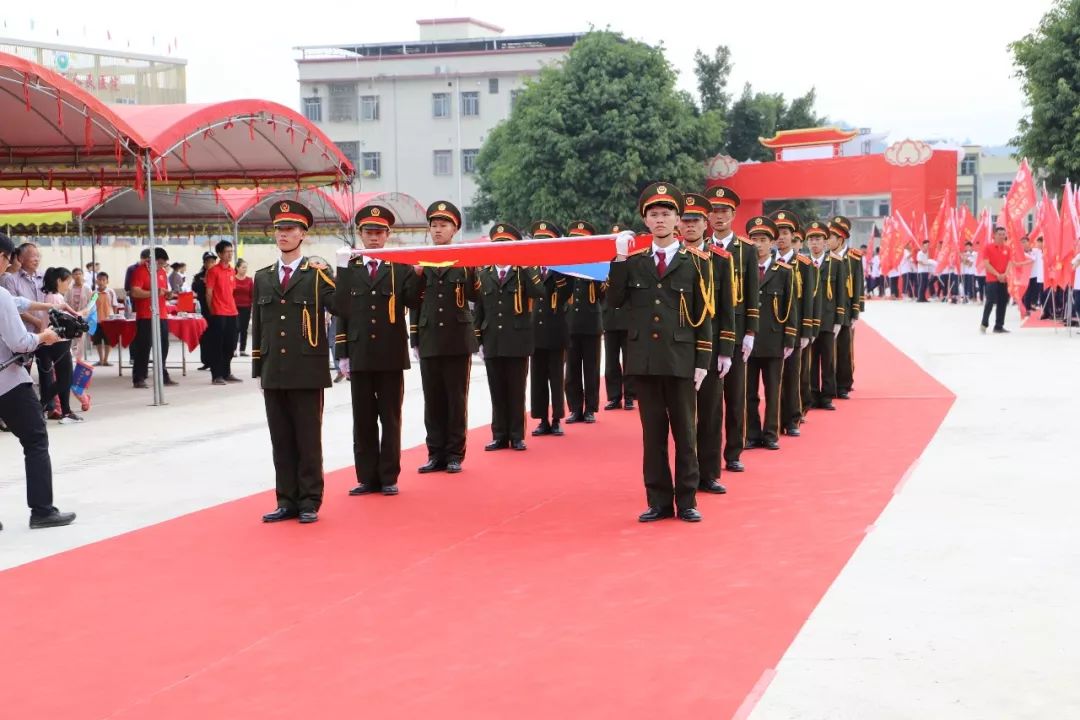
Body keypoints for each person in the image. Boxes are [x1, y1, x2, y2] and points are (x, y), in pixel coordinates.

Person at [608, 182, 712, 523]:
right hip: (646, 360)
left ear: (678, 220)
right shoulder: (633, 262)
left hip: (681, 358)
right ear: (646, 221)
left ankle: (687, 500)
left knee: (685, 433)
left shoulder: (696, 262)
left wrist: (703, 360)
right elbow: (614, 302)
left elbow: (704, 313)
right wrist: (620, 259)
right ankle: (658, 500)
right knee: (652, 435)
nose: (661, 220)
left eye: (667, 214)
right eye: (654, 214)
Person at [254, 201, 337, 524]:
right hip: (275, 371)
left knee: (307, 438)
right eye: (279, 229)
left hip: (307, 370)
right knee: (281, 440)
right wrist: (260, 371)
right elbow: (259, 327)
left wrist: (330, 273)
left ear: (303, 234)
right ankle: (286, 499)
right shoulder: (263, 277)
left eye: (290, 229)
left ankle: (309, 500)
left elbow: (340, 305)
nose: (283, 234)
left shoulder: (316, 274)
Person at [335, 205, 421, 497]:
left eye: (379, 233)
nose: (374, 237)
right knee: (363, 419)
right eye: (368, 232)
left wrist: (419, 275)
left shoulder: (399, 267)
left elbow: (412, 301)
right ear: (360, 234)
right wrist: (342, 353)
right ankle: (366, 477)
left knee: (390, 417)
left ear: (387, 235)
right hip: (359, 353)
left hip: (390, 353)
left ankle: (388, 476)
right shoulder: (350, 267)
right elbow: (341, 312)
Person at [0, 232, 77, 531]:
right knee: (35, 439)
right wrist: (43, 337)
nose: (9, 267)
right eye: (9, 260)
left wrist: (51, 308)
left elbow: (19, 302)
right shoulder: (1, 294)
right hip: (7, 380)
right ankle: (43, 510)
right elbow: (19, 341)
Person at [411, 201, 478, 474]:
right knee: (433, 399)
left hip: (457, 337)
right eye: (434, 225)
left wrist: (475, 269)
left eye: (443, 225)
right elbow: (413, 301)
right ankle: (434, 453)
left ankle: (454, 454)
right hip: (430, 337)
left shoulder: (465, 258)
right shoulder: (420, 259)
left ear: (455, 229)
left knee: (456, 399)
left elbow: (477, 295)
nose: (438, 230)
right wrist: (414, 336)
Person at [679, 193, 735, 495]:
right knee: (682, 414)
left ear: (706, 224)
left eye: (696, 220)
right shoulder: (672, 255)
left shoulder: (721, 260)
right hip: (677, 346)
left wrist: (726, 349)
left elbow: (728, 308)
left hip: (711, 346)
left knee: (711, 412)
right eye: (685, 220)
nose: (690, 226)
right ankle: (686, 473)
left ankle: (709, 473)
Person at [474, 223, 544, 452]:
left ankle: (516, 435)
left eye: (507, 246)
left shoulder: (522, 272)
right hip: (492, 338)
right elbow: (479, 309)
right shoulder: (484, 274)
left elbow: (539, 293)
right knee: (497, 390)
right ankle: (499, 435)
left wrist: (526, 266)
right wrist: (478, 339)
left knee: (516, 389)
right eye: (498, 245)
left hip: (517, 339)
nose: (502, 249)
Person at [706, 185, 759, 474]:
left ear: (733, 214)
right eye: (714, 211)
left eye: (724, 211)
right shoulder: (701, 247)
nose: (719, 216)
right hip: (708, 330)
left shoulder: (746, 250)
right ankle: (711, 452)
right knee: (710, 400)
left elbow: (753, 293)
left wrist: (751, 331)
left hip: (737, 331)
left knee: (735, 396)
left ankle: (734, 452)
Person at [744, 217, 797, 451]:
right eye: (754, 240)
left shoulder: (784, 271)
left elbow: (791, 305)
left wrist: (790, 338)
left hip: (775, 339)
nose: (758, 244)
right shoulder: (743, 270)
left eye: (763, 240)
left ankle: (771, 433)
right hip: (749, 339)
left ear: (771, 243)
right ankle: (752, 433)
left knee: (773, 390)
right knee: (748, 392)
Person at [771, 211, 815, 437]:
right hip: (771, 328)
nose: (781, 237)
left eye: (786, 233)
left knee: (792, 375)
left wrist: (807, 330)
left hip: (794, 327)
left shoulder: (804, 264)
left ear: (793, 236)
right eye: (777, 233)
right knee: (773, 379)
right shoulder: (767, 261)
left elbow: (808, 298)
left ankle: (792, 419)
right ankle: (774, 420)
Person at [528, 221, 573, 438]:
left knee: (556, 377)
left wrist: (558, 269)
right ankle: (542, 419)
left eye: (546, 242)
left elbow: (565, 295)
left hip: (556, 329)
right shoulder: (532, 268)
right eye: (539, 242)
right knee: (537, 379)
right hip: (535, 331)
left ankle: (556, 419)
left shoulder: (562, 269)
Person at [564, 221, 604, 424]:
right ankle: (574, 408)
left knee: (591, 368)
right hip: (569, 324)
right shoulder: (565, 266)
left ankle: (590, 408)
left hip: (590, 323)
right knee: (571, 370)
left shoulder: (596, 265)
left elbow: (604, 295)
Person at [807, 221, 847, 411]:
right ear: (808, 243)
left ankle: (827, 396)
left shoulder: (836, 263)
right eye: (812, 239)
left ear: (825, 242)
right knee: (811, 360)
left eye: (818, 239)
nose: (815, 243)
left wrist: (839, 319)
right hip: (809, 320)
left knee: (828, 359)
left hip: (828, 319)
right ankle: (813, 394)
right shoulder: (803, 263)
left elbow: (841, 293)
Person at [129, 247, 177, 389]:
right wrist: (154, 292)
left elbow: (162, 291)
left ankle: (162, 374)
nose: (162, 266)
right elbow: (135, 292)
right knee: (144, 346)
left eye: (164, 264)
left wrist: (167, 294)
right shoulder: (140, 271)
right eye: (161, 263)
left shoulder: (162, 272)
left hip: (161, 313)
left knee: (163, 345)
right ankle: (139, 377)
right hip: (146, 314)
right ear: (153, 259)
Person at [39, 268, 82, 423]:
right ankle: (40, 406)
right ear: (58, 281)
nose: (69, 286)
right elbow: (62, 320)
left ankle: (66, 411)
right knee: (65, 379)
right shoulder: (55, 298)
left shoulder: (52, 296)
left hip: (52, 342)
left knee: (64, 378)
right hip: (58, 343)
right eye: (67, 282)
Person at [602, 223, 636, 411]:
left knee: (629, 360)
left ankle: (630, 395)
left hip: (627, 316)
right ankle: (614, 396)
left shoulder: (630, 261)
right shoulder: (604, 261)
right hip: (610, 318)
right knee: (611, 361)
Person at [833, 216, 863, 399]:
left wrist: (856, 310)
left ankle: (844, 383)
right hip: (830, 308)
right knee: (829, 350)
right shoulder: (827, 256)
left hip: (846, 307)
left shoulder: (853, 257)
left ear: (841, 238)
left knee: (844, 348)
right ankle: (830, 384)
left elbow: (859, 283)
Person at [205, 240, 242, 385]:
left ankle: (227, 372)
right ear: (219, 254)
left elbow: (231, 291)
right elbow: (209, 293)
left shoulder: (232, 270)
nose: (230, 254)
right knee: (218, 345)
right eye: (227, 252)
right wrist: (212, 311)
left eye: (231, 251)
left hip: (232, 312)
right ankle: (217, 375)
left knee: (231, 344)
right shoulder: (213, 271)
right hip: (218, 312)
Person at [980, 226, 1013, 333]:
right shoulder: (988, 247)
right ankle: (984, 324)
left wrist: (1005, 274)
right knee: (990, 301)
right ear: (994, 235)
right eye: (999, 234)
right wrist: (997, 274)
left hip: (1003, 279)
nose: (1002, 236)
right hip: (992, 279)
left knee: (1003, 302)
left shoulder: (1007, 249)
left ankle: (999, 326)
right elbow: (986, 264)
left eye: (1003, 234)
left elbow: (1010, 262)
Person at [192, 251, 216, 370]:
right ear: (204, 263)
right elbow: (194, 288)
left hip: (215, 309)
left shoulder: (218, 273)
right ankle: (206, 361)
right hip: (203, 310)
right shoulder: (199, 276)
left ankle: (215, 361)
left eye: (213, 261)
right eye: (208, 261)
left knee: (215, 336)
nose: (211, 264)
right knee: (204, 336)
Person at [91, 271, 119, 366]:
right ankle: (100, 359)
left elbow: (114, 305)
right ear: (96, 281)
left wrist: (114, 317)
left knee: (108, 341)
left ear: (107, 281)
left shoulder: (110, 292)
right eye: (99, 280)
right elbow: (91, 306)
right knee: (98, 341)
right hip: (97, 321)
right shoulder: (94, 293)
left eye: (103, 280)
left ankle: (106, 360)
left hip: (109, 321)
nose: (101, 282)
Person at [233, 259, 254, 357]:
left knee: (244, 329)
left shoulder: (249, 280)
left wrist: (254, 307)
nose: (245, 269)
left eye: (246, 267)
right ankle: (233, 350)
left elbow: (252, 294)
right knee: (235, 328)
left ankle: (242, 350)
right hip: (234, 307)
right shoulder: (232, 279)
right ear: (237, 268)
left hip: (246, 307)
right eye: (243, 267)